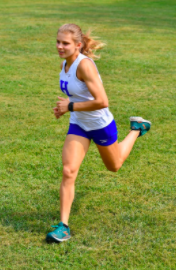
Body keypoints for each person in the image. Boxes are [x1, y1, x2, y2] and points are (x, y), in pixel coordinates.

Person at [46, 23, 151, 243]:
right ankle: (63, 226)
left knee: (114, 166)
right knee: (68, 171)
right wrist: (65, 108)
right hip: (79, 124)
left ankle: (136, 129)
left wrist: (71, 106)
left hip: (100, 124)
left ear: (78, 44)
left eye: (65, 43)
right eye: (58, 42)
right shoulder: (65, 63)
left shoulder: (85, 66)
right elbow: (76, 96)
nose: (59, 46)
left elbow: (102, 101)